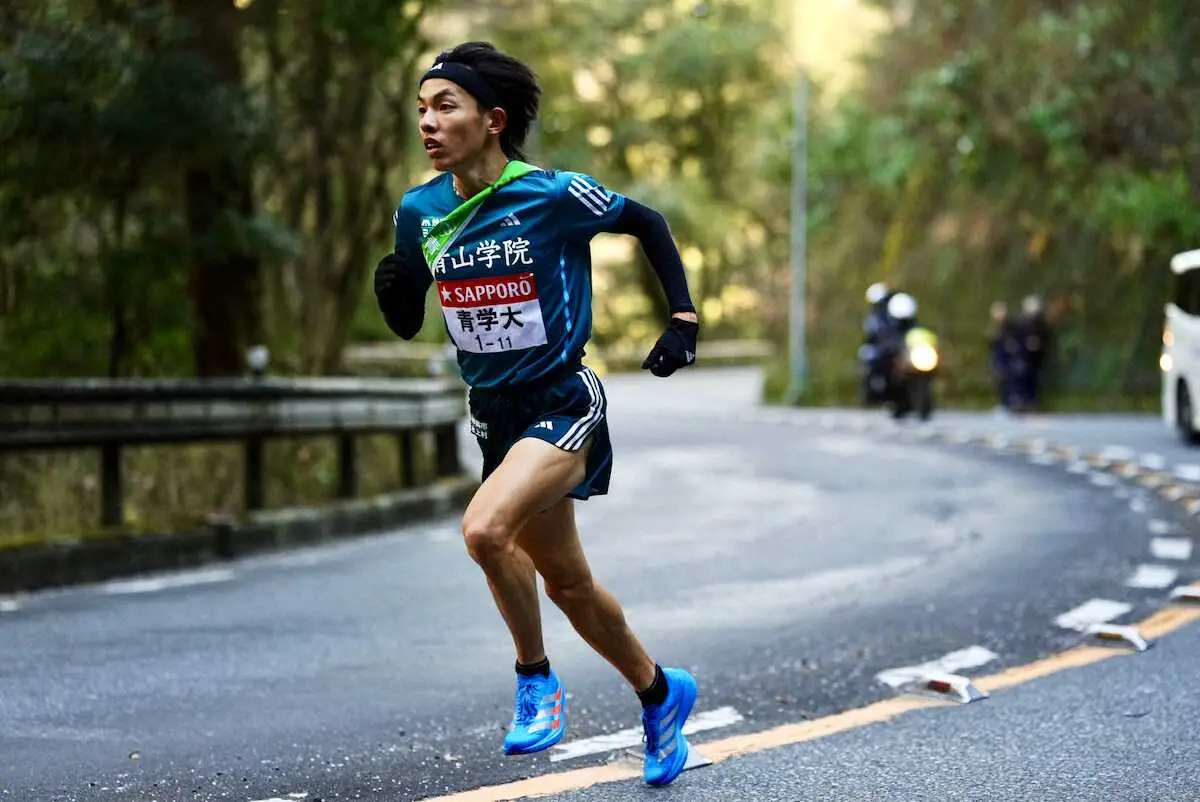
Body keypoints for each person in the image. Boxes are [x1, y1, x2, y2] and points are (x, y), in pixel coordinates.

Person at [372, 42, 700, 787]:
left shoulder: (551, 195)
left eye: (445, 106)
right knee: (569, 584)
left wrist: (682, 319)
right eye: (421, 109)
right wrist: (394, 291)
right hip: (495, 418)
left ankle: (536, 681)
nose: (427, 123)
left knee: (485, 531)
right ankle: (660, 693)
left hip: (561, 402)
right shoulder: (420, 210)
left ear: (493, 120)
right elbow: (407, 317)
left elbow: (647, 220)